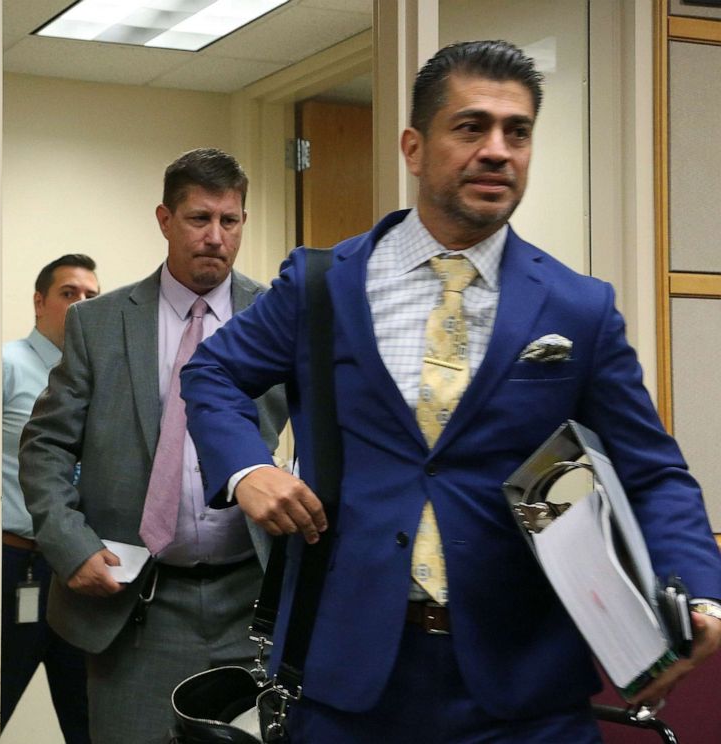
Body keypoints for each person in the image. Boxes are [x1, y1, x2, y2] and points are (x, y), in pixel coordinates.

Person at [180, 40, 721, 743]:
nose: (497, 150)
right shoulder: (321, 284)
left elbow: (652, 472)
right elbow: (211, 372)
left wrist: (700, 592)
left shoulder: (577, 308)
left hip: (525, 688)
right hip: (348, 678)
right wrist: (247, 468)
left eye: (516, 131)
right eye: (471, 127)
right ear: (413, 146)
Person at [19, 148, 287, 744]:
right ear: (165, 220)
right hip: (135, 607)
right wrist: (69, 543)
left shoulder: (275, 315)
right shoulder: (100, 322)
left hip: (250, 602)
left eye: (231, 221)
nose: (216, 237)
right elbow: (45, 447)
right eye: (199, 219)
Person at [1, 254, 99, 740]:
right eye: (69, 294)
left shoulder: (99, 378)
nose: (81, 305)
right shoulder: (6, 364)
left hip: (75, 568)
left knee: (88, 718)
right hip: (15, 564)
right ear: (39, 303)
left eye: (91, 297)